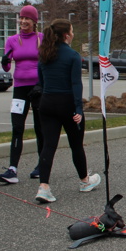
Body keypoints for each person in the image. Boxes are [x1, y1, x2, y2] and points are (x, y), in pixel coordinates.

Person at [34, 19, 100, 204]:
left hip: (47, 103)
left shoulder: (44, 54)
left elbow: (41, 81)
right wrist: (78, 108)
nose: (73, 34)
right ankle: (84, 181)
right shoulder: (73, 55)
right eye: (71, 31)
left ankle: (44, 187)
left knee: (48, 145)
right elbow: (76, 84)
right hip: (67, 104)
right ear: (66, 35)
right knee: (76, 144)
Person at [0, 5, 45, 184]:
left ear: (34, 21)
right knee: (17, 128)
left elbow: (48, 62)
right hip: (20, 89)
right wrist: (4, 62)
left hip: (38, 89)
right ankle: (12, 169)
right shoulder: (12, 40)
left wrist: (41, 84)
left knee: (40, 128)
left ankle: (42, 165)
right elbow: (7, 67)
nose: (23, 21)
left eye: (27, 19)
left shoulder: (42, 38)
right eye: (21, 18)